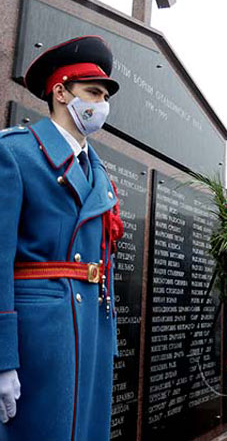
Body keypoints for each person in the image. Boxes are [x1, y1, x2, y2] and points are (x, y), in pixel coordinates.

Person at [0, 36, 123, 441]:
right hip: (41, 334)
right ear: (60, 91)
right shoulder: (16, 154)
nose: (100, 104)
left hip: (89, 327)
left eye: (104, 95)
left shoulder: (97, 170)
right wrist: (3, 357)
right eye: (92, 92)